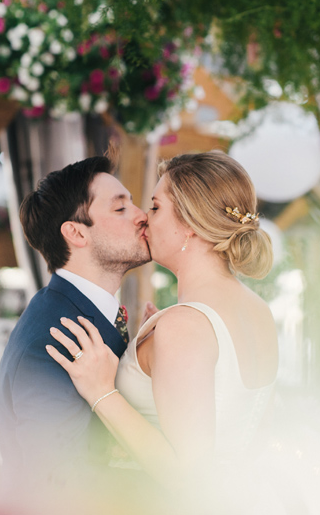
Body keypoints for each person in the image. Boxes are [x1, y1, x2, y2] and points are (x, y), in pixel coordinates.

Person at [46, 151, 281, 511]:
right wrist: (151, 351)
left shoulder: (183, 326)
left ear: (189, 224)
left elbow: (189, 476)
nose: (144, 219)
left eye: (155, 207)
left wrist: (101, 392)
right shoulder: (257, 310)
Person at [0, 155, 151, 491]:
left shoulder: (79, 313)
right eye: (120, 208)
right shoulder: (52, 340)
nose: (142, 217)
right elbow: (56, 486)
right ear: (77, 233)